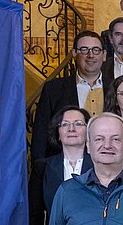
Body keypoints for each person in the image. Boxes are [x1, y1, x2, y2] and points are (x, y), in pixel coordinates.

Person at [31, 31, 110, 168]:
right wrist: (40, 170)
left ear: (104, 55)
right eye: (84, 49)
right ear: (74, 53)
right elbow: (41, 135)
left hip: (108, 165)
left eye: (96, 50)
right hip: (64, 168)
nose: (90, 55)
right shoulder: (53, 89)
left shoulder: (116, 88)